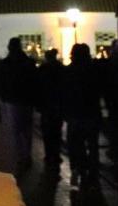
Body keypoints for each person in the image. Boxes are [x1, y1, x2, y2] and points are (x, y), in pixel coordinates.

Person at [63, 43, 103, 186]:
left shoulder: (68, 71)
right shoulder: (94, 71)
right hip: (91, 112)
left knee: (75, 144)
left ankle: (79, 168)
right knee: (93, 145)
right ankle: (93, 173)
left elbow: (64, 94)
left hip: (74, 113)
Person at [1, 37, 38, 170]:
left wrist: (3, 96)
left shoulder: (6, 63)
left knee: (15, 130)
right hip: (27, 99)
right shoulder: (28, 62)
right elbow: (34, 81)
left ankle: (19, 156)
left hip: (12, 99)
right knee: (27, 130)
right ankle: (26, 155)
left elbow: (2, 82)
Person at [37, 48, 66, 168]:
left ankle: (49, 154)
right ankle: (56, 154)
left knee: (47, 132)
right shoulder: (61, 69)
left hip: (46, 105)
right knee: (56, 131)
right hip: (57, 104)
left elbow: (37, 86)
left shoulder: (42, 69)